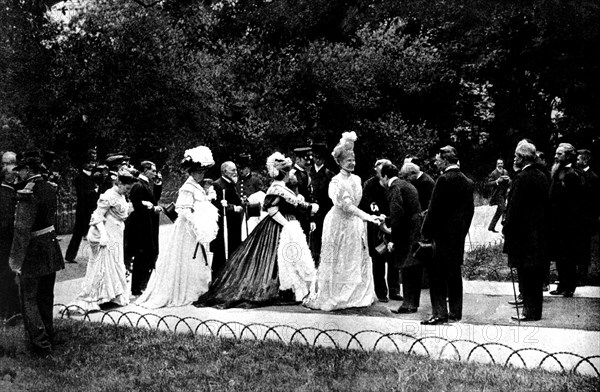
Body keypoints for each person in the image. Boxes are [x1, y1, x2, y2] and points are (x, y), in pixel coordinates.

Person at [193, 152, 318, 308]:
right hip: (278, 225)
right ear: (285, 173)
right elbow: (272, 209)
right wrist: (287, 225)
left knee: (290, 257)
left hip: (287, 224)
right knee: (275, 258)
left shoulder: (283, 186)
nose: (292, 173)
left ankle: (293, 290)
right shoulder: (276, 188)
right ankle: (282, 289)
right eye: (290, 171)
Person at [303, 132, 381, 311]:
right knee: (339, 258)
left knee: (354, 257)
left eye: (353, 160)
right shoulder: (335, 182)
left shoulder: (357, 179)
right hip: (338, 223)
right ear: (339, 162)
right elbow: (347, 206)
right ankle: (336, 294)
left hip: (354, 224)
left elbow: (358, 202)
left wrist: (370, 214)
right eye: (348, 161)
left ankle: (355, 294)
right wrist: (367, 217)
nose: (352, 163)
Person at [136, 147, 219, 308]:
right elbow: (184, 209)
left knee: (198, 259)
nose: (201, 175)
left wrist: (208, 198)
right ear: (191, 172)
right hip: (187, 229)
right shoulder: (188, 187)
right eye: (198, 172)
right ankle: (186, 290)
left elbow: (199, 205)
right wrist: (196, 225)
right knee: (187, 258)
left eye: (203, 172)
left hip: (195, 229)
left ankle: (198, 289)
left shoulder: (197, 186)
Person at [9, 152, 65, 355]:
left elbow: (22, 230)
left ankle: (41, 344)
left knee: (29, 297)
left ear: (28, 170)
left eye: (21, 170)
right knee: (46, 295)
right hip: (50, 246)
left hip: (34, 250)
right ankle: (49, 334)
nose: (19, 174)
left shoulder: (28, 193)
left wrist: (15, 261)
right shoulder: (50, 188)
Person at [65, 168, 138, 313]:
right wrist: (103, 235)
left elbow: (122, 212)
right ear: (120, 183)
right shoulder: (108, 196)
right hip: (107, 233)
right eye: (127, 187)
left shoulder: (122, 196)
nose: (127, 191)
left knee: (116, 263)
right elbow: (97, 216)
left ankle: (114, 296)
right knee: (103, 265)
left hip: (117, 233)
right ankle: (96, 297)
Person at [421, 146, 474, 325]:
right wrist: (462, 231)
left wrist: (425, 233)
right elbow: (470, 211)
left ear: (444, 160)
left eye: (437, 160)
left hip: (440, 236)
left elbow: (434, 210)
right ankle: (455, 313)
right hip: (457, 236)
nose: (436, 163)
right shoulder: (467, 181)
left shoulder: (443, 180)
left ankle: (439, 314)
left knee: (436, 275)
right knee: (454, 274)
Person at [503, 141, 549, 321]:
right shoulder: (542, 175)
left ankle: (528, 312)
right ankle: (534, 311)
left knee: (526, 273)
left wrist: (507, 229)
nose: (514, 159)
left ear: (522, 158)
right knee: (535, 275)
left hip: (523, 235)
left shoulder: (522, 178)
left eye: (516, 156)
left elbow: (514, 209)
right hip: (539, 232)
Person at [380, 163, 423, 314]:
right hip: (415, 231)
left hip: (405, 233)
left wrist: (392, 238)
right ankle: (412, 303)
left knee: (406, 268)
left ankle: (407, 305)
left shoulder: (394, 188)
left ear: (385, 176)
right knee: (413, 268)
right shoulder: (407, 185)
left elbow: (398, 215)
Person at [359, 158, 401, 302]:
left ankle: (395, 290)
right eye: (378, 172)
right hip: (376, 226)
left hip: (392, 224)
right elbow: (366, 202)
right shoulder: (369, 184)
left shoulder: (394, 183)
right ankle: (381, 292)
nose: (380, 175)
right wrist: (377, 215)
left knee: (394, 259)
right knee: (378, 260)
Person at [548, 143, 587, 297]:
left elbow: (576, 201)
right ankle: (562, 283)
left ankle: (569, 286)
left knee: (568, 255)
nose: (556, 157)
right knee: (559, 255)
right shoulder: (558, 172)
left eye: (560, 154)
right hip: (557, 222)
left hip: (569, 223)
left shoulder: (574, 174)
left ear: (568, 156)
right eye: (556, 153)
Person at [127, 160, 163, 296]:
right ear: (145, 170)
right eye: (153, 171)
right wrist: (152, 208)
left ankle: (142, 285)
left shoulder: (146, 184)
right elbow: (137, 207)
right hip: (142, 227)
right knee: (142, 257)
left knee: (149, 256)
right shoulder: (138, 185)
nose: (155, 173)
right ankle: (137, 287)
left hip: (149, 225)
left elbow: (154, 199)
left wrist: (158, 185)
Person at [210, 161, 244, 281]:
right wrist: (233, 207)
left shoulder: (232, 183)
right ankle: (220, 278)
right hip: (224, 224)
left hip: (234, 224)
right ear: (224, 171)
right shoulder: (217, 185)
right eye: (233, 170)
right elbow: (216, 204)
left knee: (234, 248)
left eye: (236, 170)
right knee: (222, 252)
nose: (236, 172)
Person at [65, 150, 99, 263]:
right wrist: (95, 191)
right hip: (83, 208)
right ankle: (70, 255)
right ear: (83, 163)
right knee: (78, 233)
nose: (91, 164)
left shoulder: (95, 176)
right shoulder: (80, 178)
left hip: (93, 207)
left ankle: (96, 255)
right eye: (88, 162)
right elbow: (82, 194)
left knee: (96, 231)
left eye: (93, 162)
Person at [0, 152, 21, 324]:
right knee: (7, 273)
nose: (14, 173)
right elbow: (7, 223)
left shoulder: (11, 191)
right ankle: (10, 311)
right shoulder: (7, 193)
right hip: (6, 240)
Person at [308, 143, 334, 267]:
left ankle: (324, 263)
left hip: (325, 211)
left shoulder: (329, 174)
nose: (317, 160)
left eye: (320, 158)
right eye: (315, 157)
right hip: (310, 210)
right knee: (311, 239)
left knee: (323, 238)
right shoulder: (308, 173)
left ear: (324, 158)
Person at [577, 149, 599, 285]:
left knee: (584, 248)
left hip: (586, 219)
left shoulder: (593, 177)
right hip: (576, 217)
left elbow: (595, 202)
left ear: (585, 160)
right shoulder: (576, 175)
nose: (576, 161)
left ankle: (582, 276)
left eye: (578, 159)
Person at [486, 158, 510, 233]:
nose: (500, 165)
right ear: (496, 164)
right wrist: (497, 181)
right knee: (503, 208)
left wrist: (509, 181)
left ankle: (491, 227)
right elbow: (488, 183)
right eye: (498, 163)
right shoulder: (494, 173)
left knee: (501, 210)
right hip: (497, 194)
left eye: (501, 163)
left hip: (505, 193)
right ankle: (504, 225)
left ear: (503, 164)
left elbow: (510, 181)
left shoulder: (505, 172)